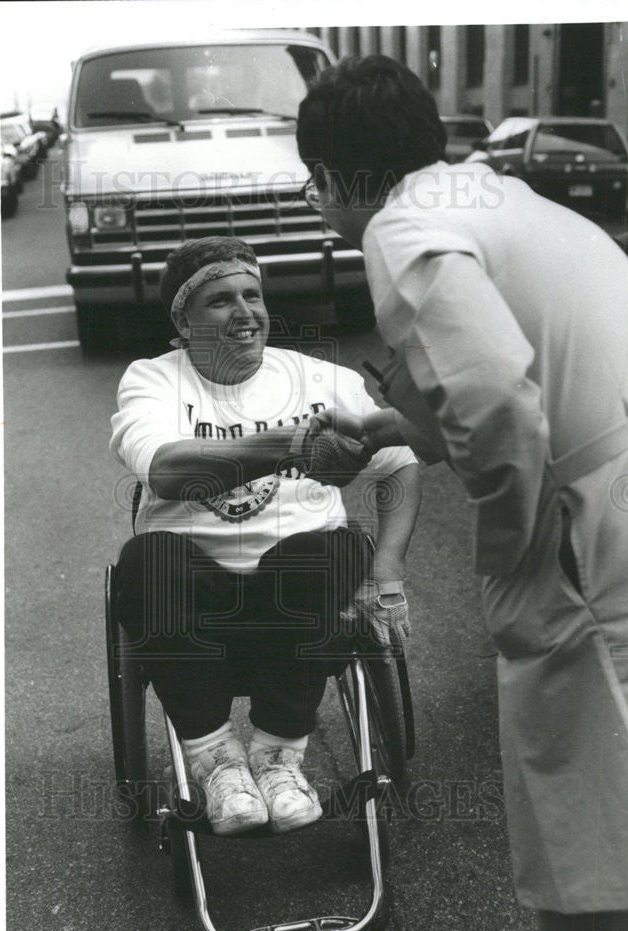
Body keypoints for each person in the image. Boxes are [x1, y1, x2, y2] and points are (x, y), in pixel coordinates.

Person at [296, 56, 628, 931]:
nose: (314, 197)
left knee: (595, 843)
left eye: (313, 182)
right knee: (619, 822)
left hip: (599, 527)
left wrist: (515, 568)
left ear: (334, 177)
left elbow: (495, 401)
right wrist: (388, 425)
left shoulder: (400, 225)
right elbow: (508, 378)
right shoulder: (495, 197)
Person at [110, 235, 421, 837]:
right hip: (194, 590)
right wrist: (290, 444)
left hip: (303, 587)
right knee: (148, 556)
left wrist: (387, 575)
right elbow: (169, 471)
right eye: (221, 300)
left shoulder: (318, 378)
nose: (245, 311)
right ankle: (217, 760)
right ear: (183, 318)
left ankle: (279, 759)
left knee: (330, 547)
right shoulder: (151, 380)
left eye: (253, 294)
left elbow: (401, 464)